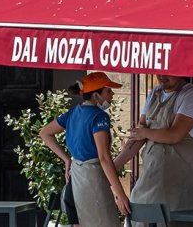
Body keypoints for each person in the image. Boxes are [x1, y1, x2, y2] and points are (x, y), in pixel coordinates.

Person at [40, 72, 130, 227]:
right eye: (108, 91)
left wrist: (67, 159)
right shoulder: (99, 116)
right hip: (92, 185)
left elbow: (45, 133)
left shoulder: (72, 113)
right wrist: (120, 194)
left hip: (73, 185)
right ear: (96, 95)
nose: (112, 94)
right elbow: (104, 158)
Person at [115, 75, 193, 216]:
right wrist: (114, 166)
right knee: (139, 220)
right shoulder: (154, 93)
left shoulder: (191, 94)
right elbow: (138, 134)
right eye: (159, 72)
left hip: (179, 186)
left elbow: (174, 135)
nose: (162, 77)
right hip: (150, 180)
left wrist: (145, 133)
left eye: (167, 72)